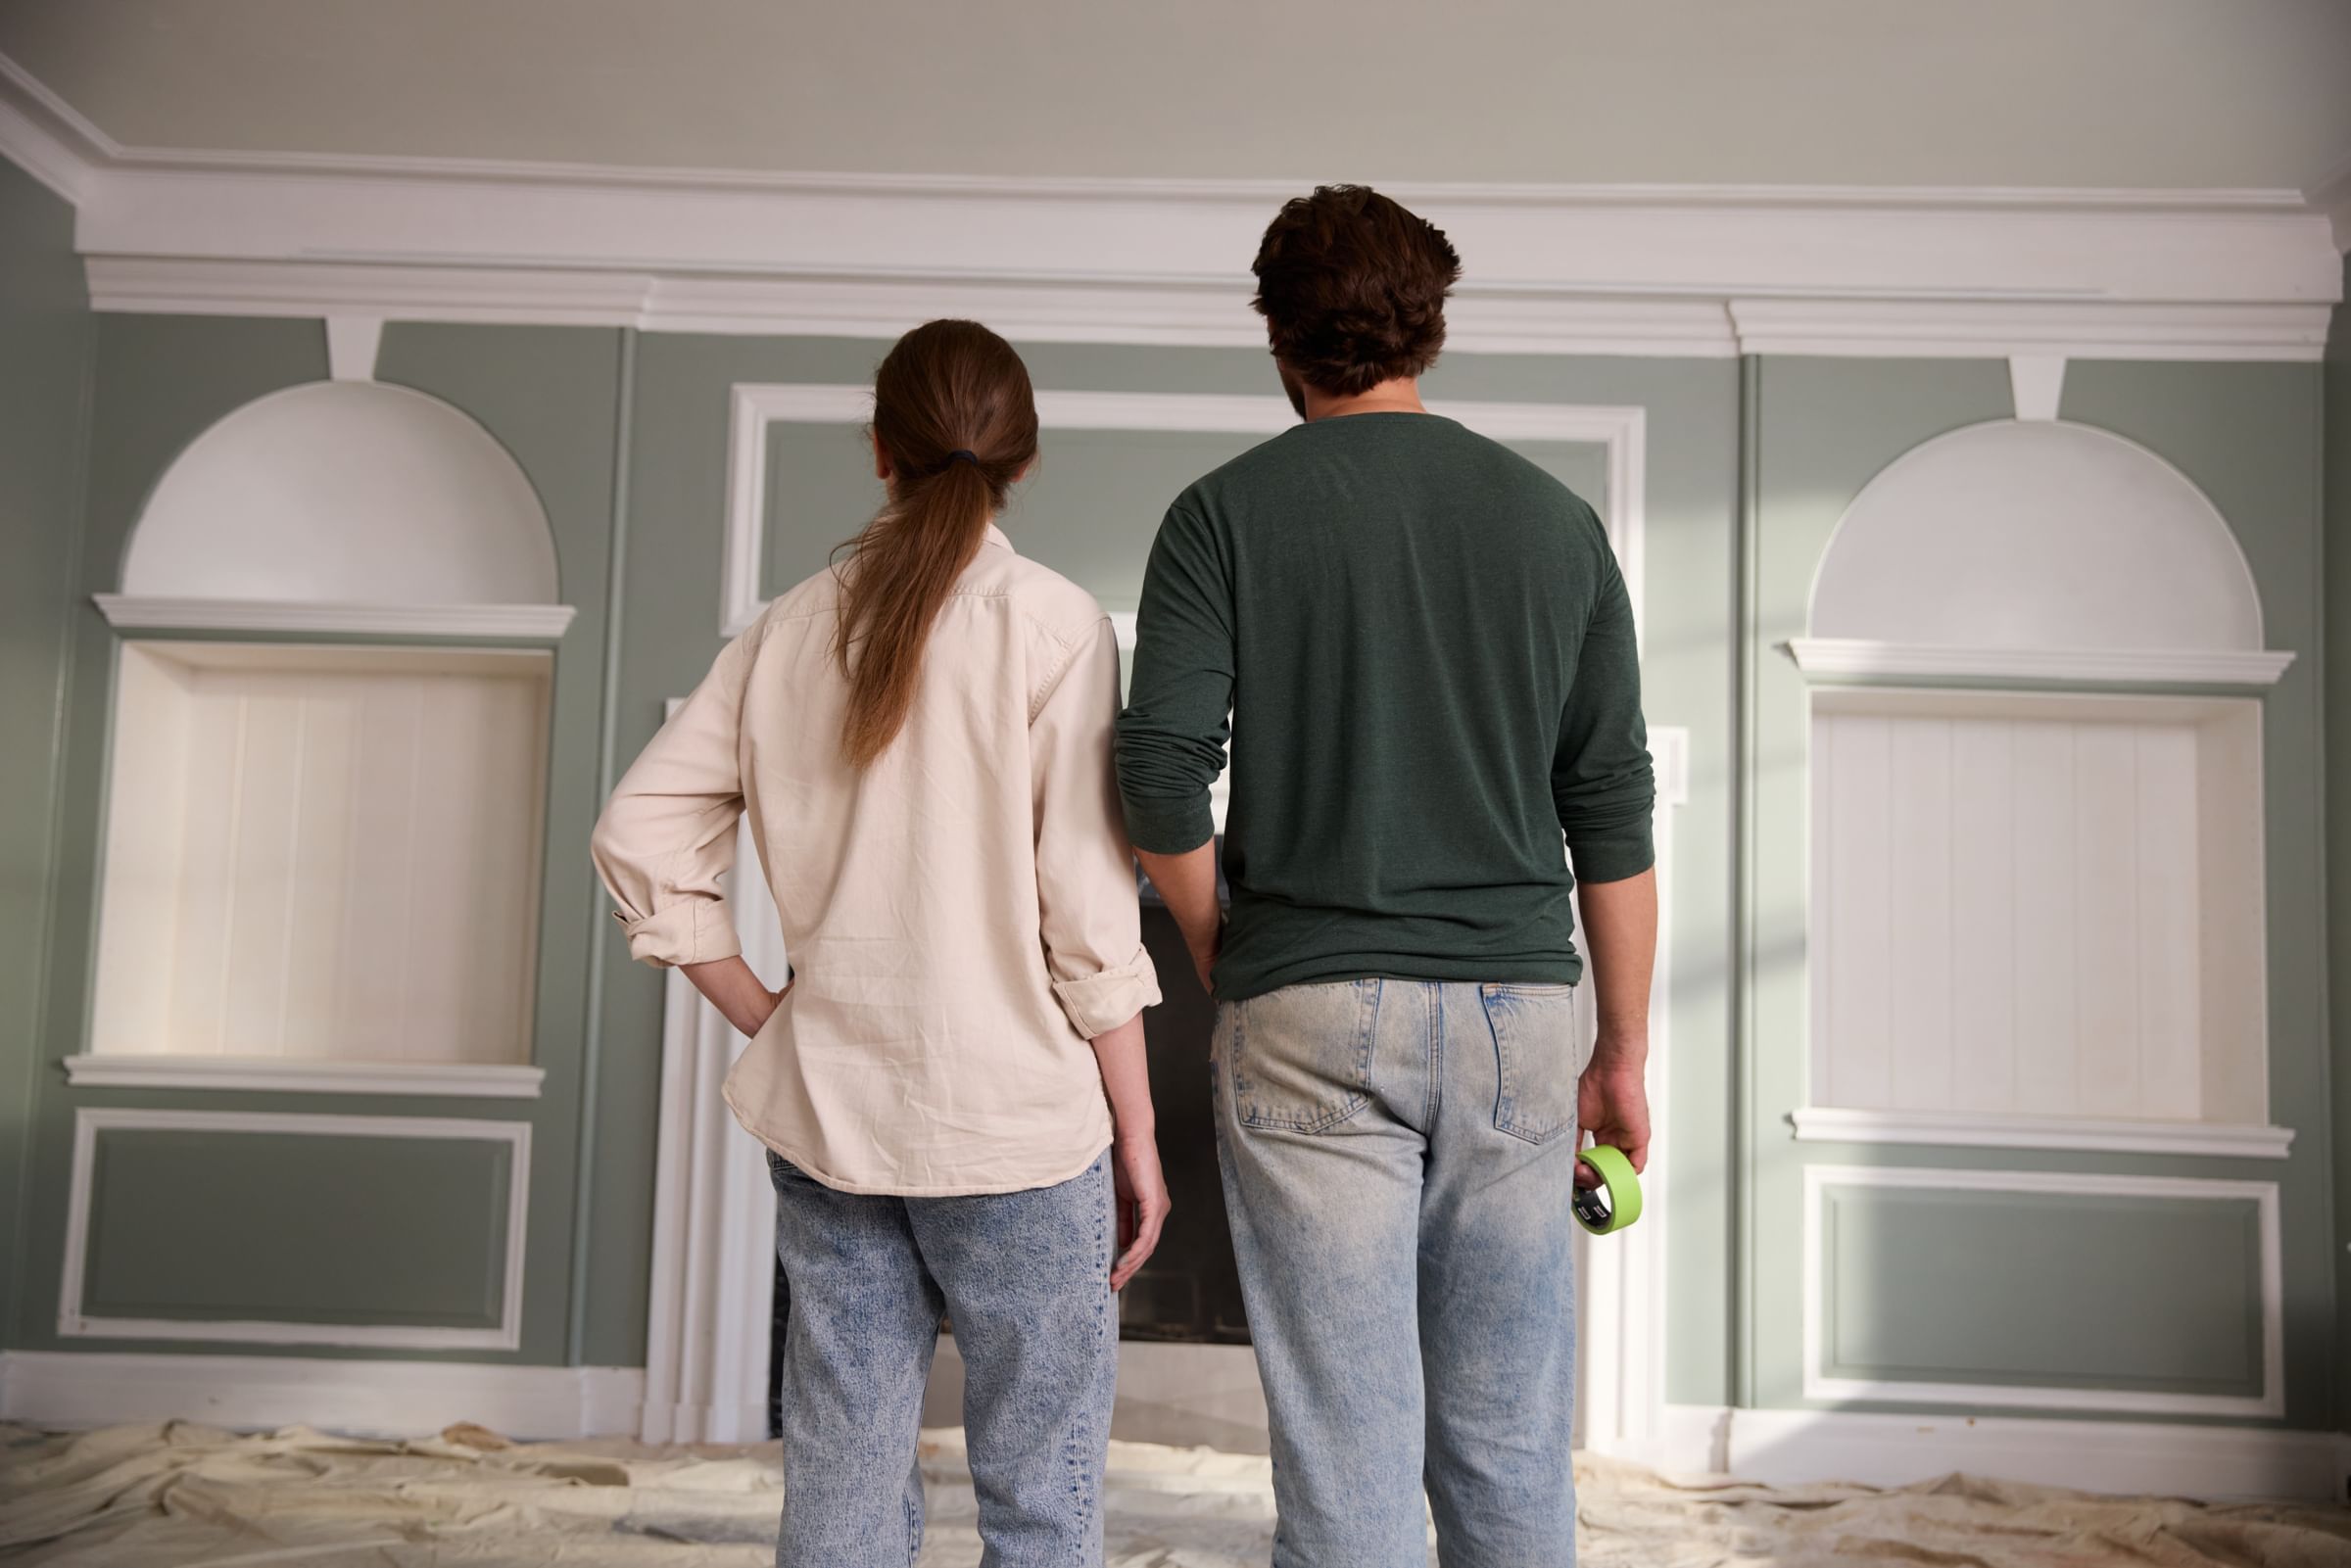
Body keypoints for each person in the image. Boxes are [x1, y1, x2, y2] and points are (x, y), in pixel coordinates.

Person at [1115, 185, 1657, 1567]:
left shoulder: (1220, 514)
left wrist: (1218, 947)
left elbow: (1160, 774)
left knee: (1347, 1453)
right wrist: (1622, 1049)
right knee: (1510, 1440)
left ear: (1278, 339)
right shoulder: (1558, 524)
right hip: (1519, 1020)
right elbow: (1610, 807)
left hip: (1304, 1007)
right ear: (1434, 328)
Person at [592, 318, 1166, 1568]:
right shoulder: (1056, 622)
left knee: (842, 1468)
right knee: (1042, 1490)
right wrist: (1139, 1128)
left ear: (878, 449)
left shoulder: (786, 629)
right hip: (1019, 1127)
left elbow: (636, 831)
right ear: (1024, 460)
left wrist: (769, 1013)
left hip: (835, 1118)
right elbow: (1087, 909)